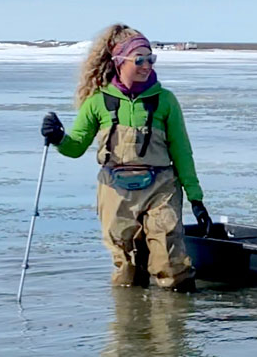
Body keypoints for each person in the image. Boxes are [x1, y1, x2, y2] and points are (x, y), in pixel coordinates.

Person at [39, 24, 211, 291]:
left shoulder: (165, 100)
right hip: (115, 190)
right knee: (128, 272)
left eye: (150, 59)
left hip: (161, 187)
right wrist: (59, 137)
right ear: (119, 62)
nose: (146, 65)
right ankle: (130, 324)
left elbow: (182, 152)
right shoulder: (97, 102)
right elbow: (75, 148)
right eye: (138, 59)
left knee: (171, 263)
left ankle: (174, 325)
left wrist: (196, 198)